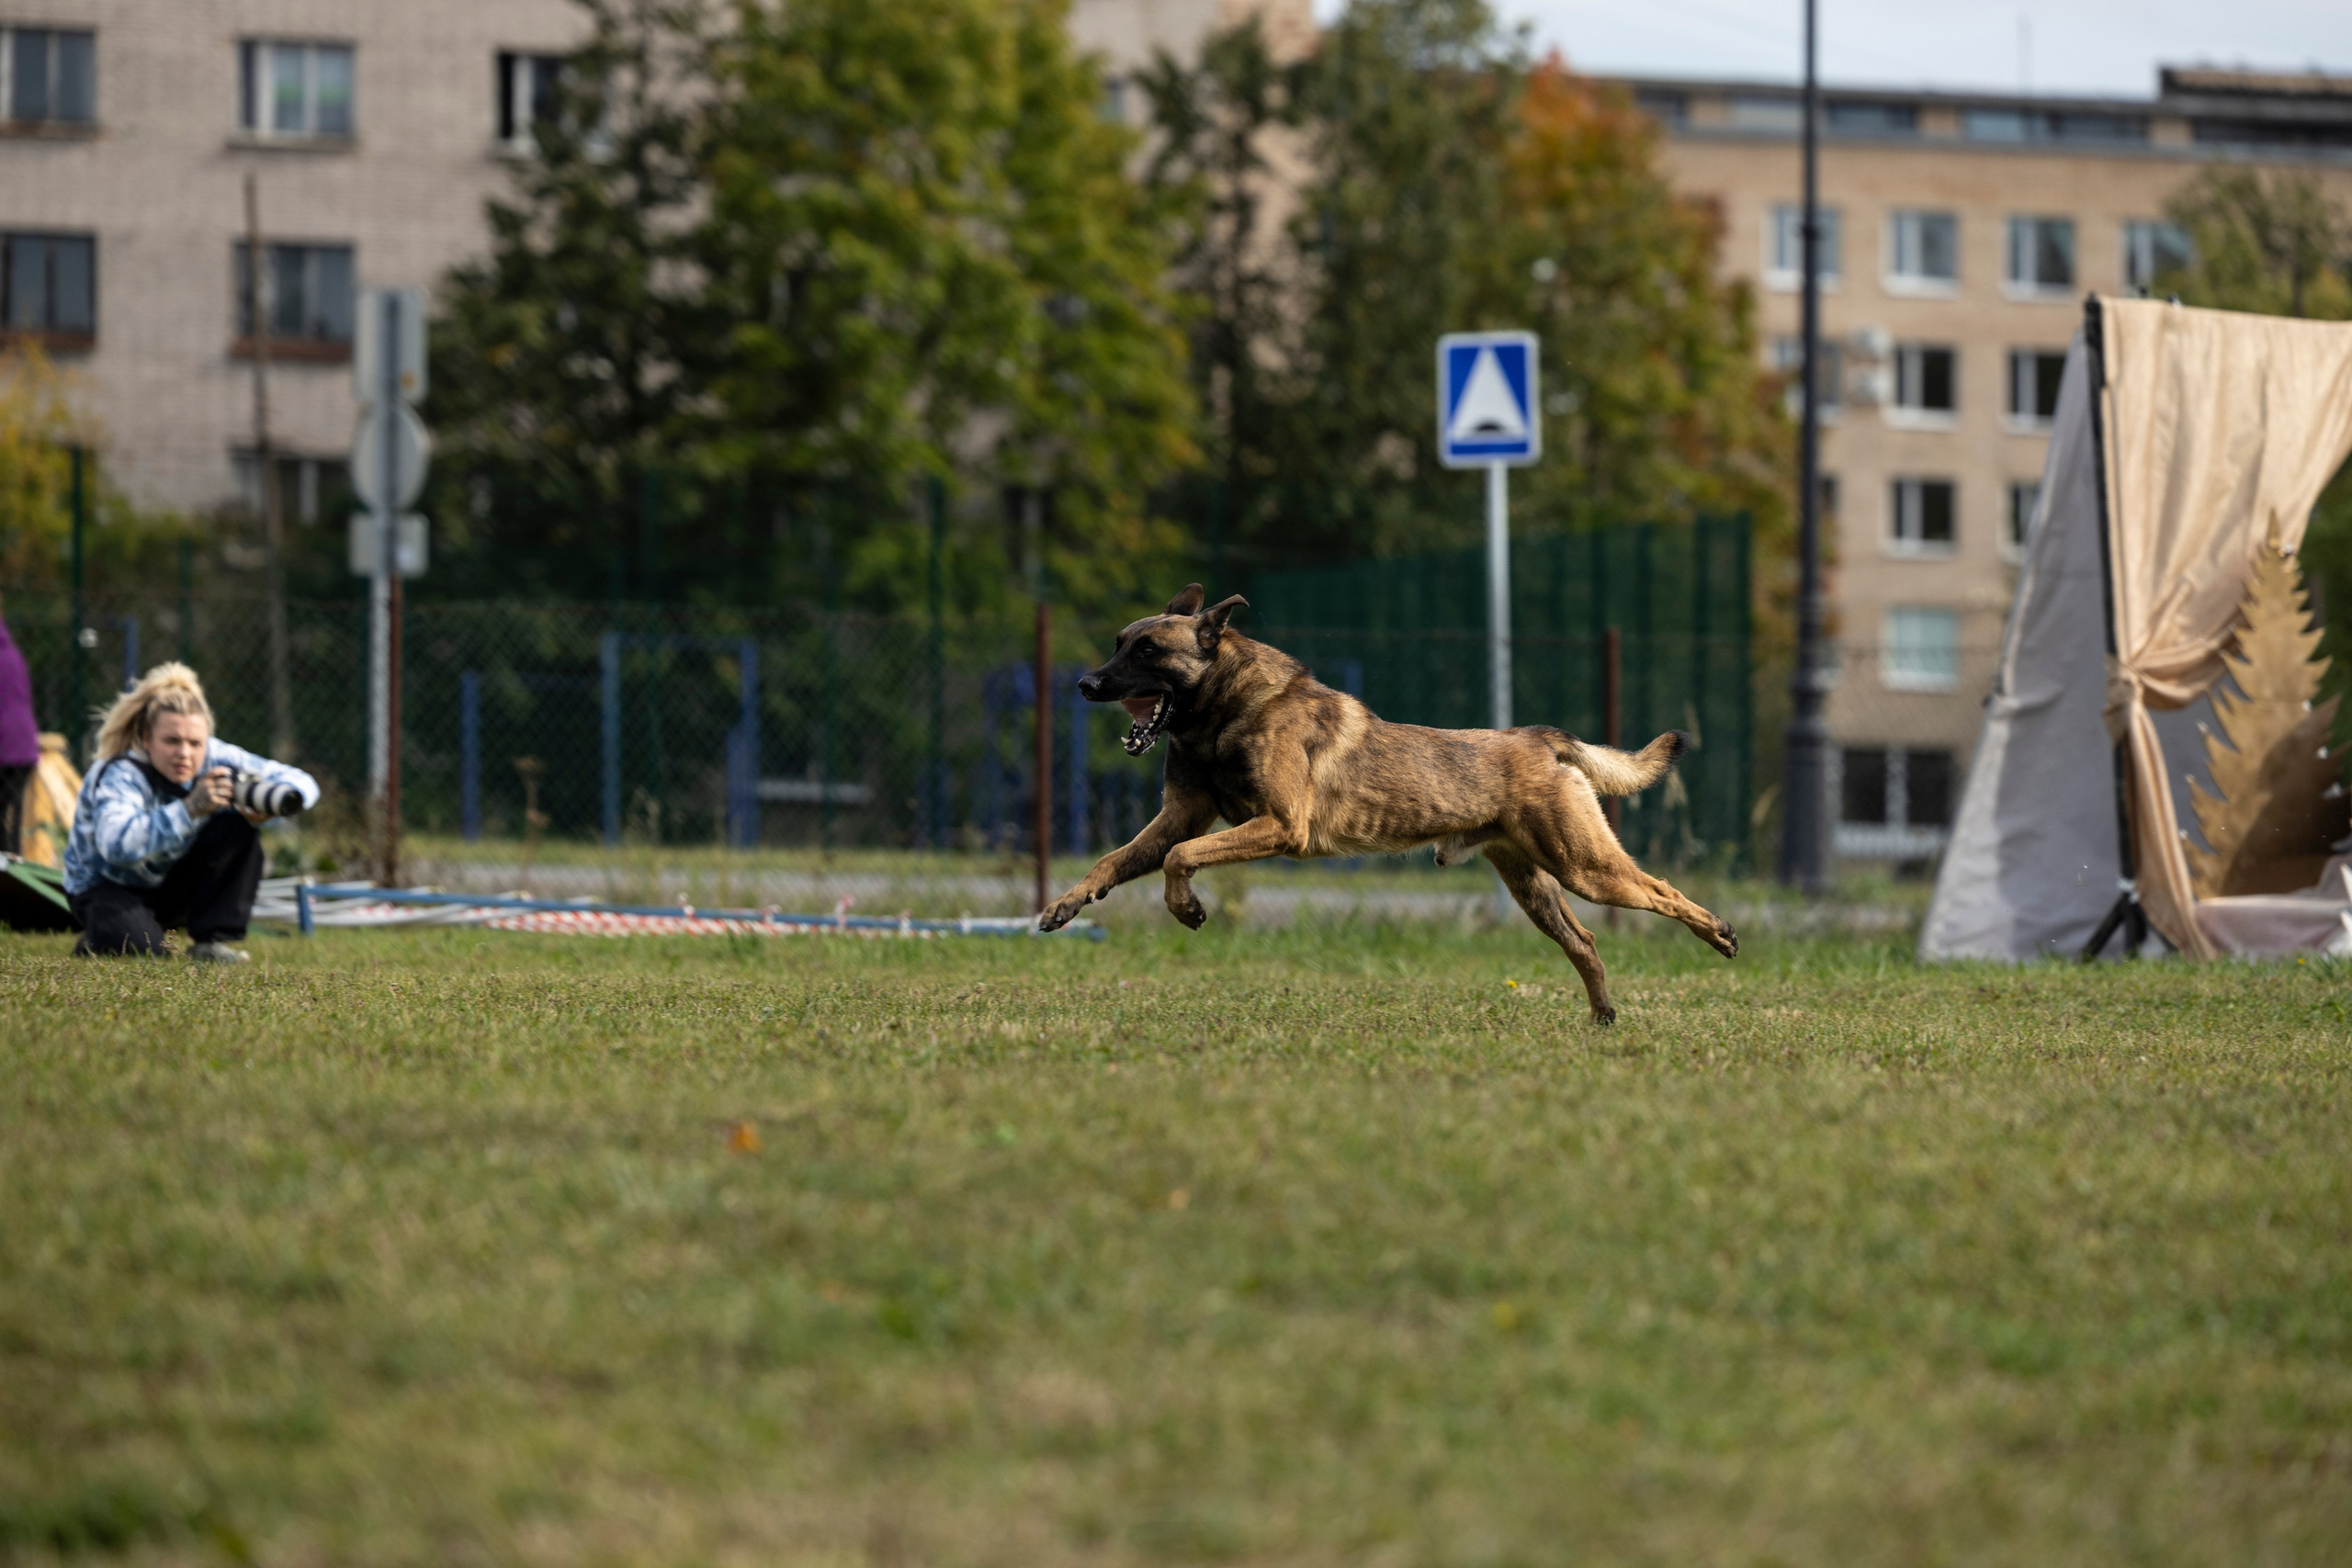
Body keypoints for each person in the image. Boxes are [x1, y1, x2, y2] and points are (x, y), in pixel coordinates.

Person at [63, 662, 317, 961]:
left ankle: (210, 942)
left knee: (236, 826)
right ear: (147, 739)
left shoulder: (215, 756)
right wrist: (189, 809)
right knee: (143, 951)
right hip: (107, 887)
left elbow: (303, 782)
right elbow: (118, 847)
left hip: (167, 881)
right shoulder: (121, 772)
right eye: (172, 741)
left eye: (195, 743)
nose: (184, 753)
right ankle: (99, 938)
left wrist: (270, 806)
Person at [0, 596, 37, 855]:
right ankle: (13, 870)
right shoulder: (12, 652)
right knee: (7, 822)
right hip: (22, 747)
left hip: (5, 748)